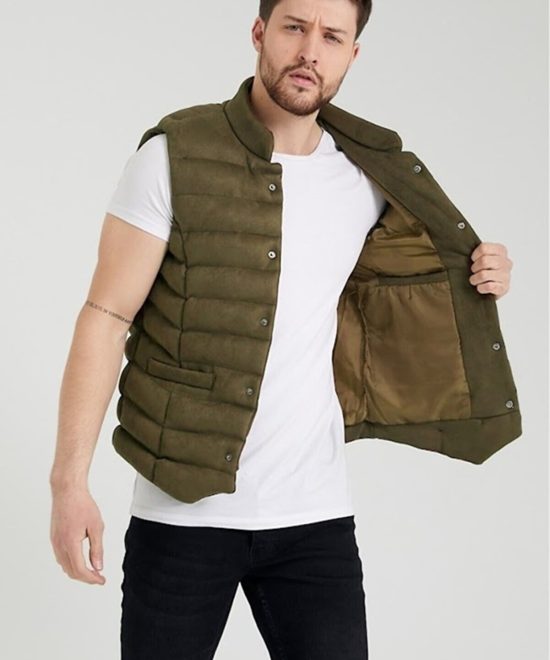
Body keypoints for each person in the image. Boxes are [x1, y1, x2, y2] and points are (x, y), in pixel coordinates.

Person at [49, 1, 515, 658]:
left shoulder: (369, 175)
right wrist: (69, 484)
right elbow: (105, 316)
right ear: (259, 32)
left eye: (332, 37)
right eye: (295, 27)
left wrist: (485, 268)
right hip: (182, 511)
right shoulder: (174, 156)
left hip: (314, 519)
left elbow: (420, 275)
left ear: (353, 54)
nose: (309, 52)